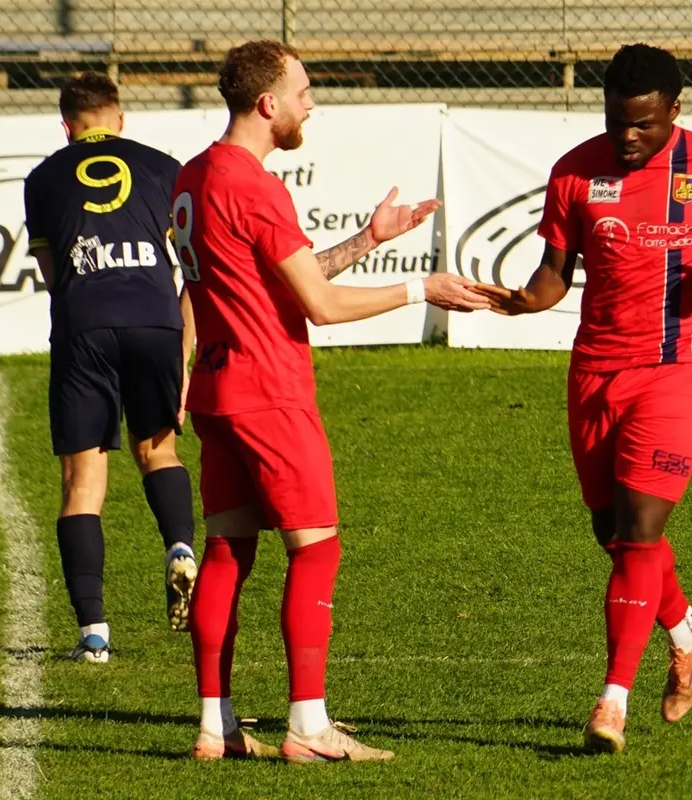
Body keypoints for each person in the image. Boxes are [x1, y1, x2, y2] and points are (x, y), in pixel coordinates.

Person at [477, 43, 692, 753]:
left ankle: (612, 702)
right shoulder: (574, 172)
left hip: (676, 369)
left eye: (644, 124)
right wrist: (525, 301)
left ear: (674, 111)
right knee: (610, 528)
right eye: (616, 120)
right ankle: (689, 630)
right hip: (595, 370)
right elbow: (555, 273)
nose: (627, 136)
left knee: (639, 530)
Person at [174, 39, 489, 763]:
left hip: (219, 388)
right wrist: (421, 288)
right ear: (268, 104)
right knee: (316, 550)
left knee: (227, 551)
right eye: (303, 91)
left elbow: (281, 279)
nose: (310, 104)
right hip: (269, 392)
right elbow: (317, 304)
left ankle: (216, 726)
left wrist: (368, 239)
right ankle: (310, 728)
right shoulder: (254, 186)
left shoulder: (195, 175)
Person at [23, 72, 198, 663]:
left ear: (65, 125)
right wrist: (181, 344)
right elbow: (194, 269)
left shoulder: (43, 178)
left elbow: (53, 277)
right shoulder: (164, 167)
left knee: (82, 482)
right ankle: (179, 547)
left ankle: (94, 634)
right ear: (120, 119)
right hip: (156, 320)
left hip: (84, 325)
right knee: (159, 452)